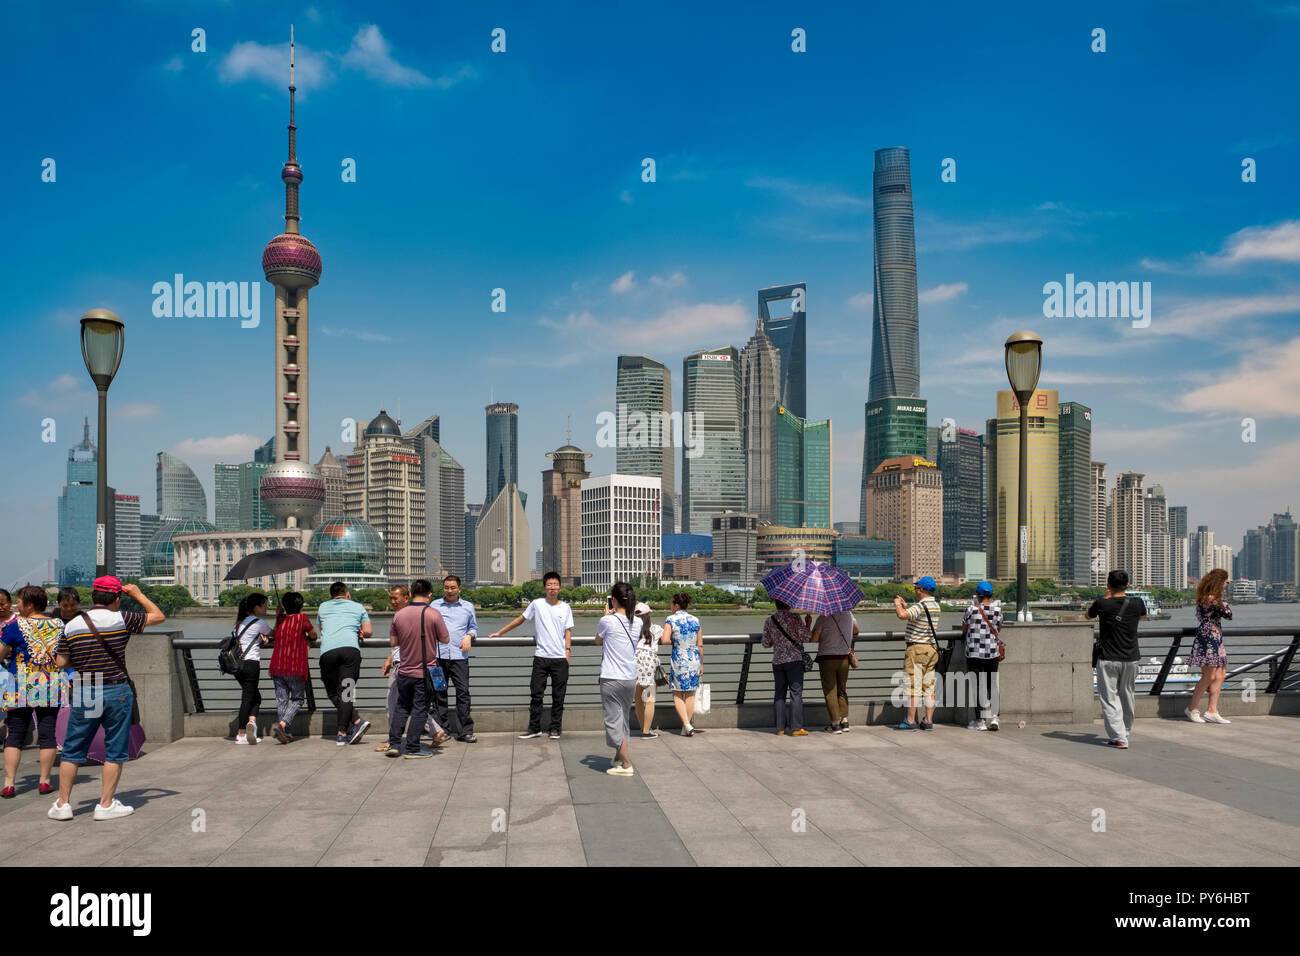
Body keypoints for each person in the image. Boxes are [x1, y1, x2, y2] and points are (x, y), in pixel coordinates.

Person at [50, 576, 165, 821]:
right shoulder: (122, 618)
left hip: (86, 689)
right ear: (116, 598)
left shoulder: (72, 625)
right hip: (116, 690)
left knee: (72, 748)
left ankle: (63, 804)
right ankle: (105, 804)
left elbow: (61, 662)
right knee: (114, 749)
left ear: (93, 597)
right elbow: (158, 616)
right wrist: (138, 594)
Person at [0, 586, 66, 798]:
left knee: (15, 735)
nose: (15, 606)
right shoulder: (58, 624)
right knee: (47, 735)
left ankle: (9, 783)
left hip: (21, 684)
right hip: (50, 684)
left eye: (19, 602)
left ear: (29, 604)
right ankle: (44, 781)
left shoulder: (15, 625)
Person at [493, 571, 572, 740]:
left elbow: (567, 631)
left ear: (560, 587)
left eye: (555, 584)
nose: (552, 588)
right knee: (536, 695)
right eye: (549, 585)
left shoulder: (565, 607)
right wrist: (500, 632)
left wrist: (567, 652)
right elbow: (520, 620)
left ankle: (555, 729)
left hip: (560, 659)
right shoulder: (537, 604)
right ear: (544, 587)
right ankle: (534, 728)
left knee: (559, 697)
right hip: (541, 657)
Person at [385, 579, 450, 759]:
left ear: (411, 594)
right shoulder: (433, 614)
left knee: (401, 708)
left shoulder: (399, 615)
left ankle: (395, 744)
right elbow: (445, 639)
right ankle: (413, 748)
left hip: (404, 670)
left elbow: (393, 642)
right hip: (425, 671)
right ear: (429, 594)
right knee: (420, 709)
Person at [1086, 569, 1146, 749]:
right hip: (1131, 656)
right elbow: (1143, 615)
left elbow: (1088, 616)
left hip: (1108, 657)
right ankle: (1124, 731)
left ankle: (1119, 737)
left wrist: (1106, 597)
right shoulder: (1137, 603)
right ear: (1128, 585)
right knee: (1127, 695)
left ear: (1108, 585)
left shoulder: (1101, 603)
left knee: (1109, 697)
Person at [316, 581, 373, 746]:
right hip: (350, 651)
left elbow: (321, 628)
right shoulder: (358, 607)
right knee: (346, 692)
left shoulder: (323, 607)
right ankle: (348, 727)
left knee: (333, 692)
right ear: (347, 594)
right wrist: (361, 631)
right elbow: (368, 631)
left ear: (331, 595)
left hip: (328, 652)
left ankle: (352, 725)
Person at [595, 582, 641, 775]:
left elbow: (598, 640)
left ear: (613, 600)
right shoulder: (638, 622)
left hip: (611, 677)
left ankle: (627, 764)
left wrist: (607, 616)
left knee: (613, 721)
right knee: (622, 719)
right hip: (630, 677)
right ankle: (618, 756)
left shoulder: (607, 621)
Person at [432, 575, 478, 742]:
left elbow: (474, 627)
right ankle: (442, 730)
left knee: (463, 693)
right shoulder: (434, 606)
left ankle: (465, 731)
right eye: (446, 587)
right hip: (437, 657)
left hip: (459, 657)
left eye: (453, 588)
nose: (449, 591)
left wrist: (469, 636)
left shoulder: (468, 607)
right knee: (439, 693)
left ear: (459, 589)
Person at [268, 590, 317, 744]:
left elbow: (274, 634)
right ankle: (283, 725)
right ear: (301, 605)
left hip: (277, 666)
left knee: (282, 700)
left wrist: (278, 615)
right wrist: (307, 636)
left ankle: (286, 733)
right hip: (295, 666)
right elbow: (314, 635)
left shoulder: (281, 619)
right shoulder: (302, 618)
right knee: (298, 699)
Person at [894, 576, 942, 731]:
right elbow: (917, 617)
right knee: (928, 687)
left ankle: (910, 720)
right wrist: (906, 607)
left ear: (921, 590)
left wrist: (897, 606)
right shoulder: (935, 605)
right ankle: (928, 720)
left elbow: (902, 616)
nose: (915, 591)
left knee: (913, 685)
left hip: (917, 649)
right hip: (930, 650)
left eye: (916, 588)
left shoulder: (921, 606)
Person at [1187, 569, 1232, 725]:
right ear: (1219, 582)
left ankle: (1212, 710)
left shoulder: (1208, 599)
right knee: (1209, 676)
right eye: (1226, 581)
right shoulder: (1211, 599)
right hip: (1209, 638)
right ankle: (1192, 708)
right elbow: (1228, 614)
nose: (1227, 584)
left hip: (1215, 637)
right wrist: (1222, 602)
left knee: (1221, 674)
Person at [762, 599, 812, 736]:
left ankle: (780, 728)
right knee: (796, 693)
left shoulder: (770, 620)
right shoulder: (795, 618)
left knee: (779, 693)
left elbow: (766, 643)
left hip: (777, 661)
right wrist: (808, 624)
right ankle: (796, 728)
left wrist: (777, 640)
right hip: (794, 660)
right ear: (789, 604)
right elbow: (807, 637)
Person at [960, 582, 1003, 731]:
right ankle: (995, 718)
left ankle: (980, 721)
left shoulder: (971, 609)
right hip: (992, 652)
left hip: (974, 653)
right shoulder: (997, 610)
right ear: (990, 595)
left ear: (977, 595)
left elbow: (964, 628)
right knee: (992, 685)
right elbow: (998, 628)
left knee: (977, 686)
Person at [231, 593, 272, 745]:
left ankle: (252, 724)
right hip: (251, 664)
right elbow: (274, 633)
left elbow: (246, 638)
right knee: (248, 699)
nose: (266, 607)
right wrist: (280, 615)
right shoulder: (259, 622)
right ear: (256, 607)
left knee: (255, 697)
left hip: (237, 665)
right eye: (264, 604)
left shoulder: (239, 623)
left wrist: (260, 637)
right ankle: (241, 733)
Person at [812, 603, 859, 734]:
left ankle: (835, 724)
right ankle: (845, 721)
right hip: (844, 658)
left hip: (827, 658)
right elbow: (856, 630)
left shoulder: (823, 617)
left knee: (830, 691)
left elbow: (814, 639)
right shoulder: (849, 614)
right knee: (842, 689)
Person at [661, 592, 703, 736]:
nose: (670, 606)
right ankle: (686, 727)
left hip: (680, 660)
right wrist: (701, 664)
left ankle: (686, 724)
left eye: (671, 604)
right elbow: (700, 645)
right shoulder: (695, 620)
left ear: (676, 605)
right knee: (690, 693)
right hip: (694, 659)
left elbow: (665, 640)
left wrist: (678, 641)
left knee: (677, 693)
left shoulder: (671, 619)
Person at [632, 602, 662, 738]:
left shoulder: (632, 628)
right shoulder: (655, 629)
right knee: (650, 698)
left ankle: (643, 728)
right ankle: (646, 731)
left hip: (634, 660)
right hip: (649, 661)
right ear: (649, 614)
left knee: (637, 697)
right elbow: (667, 636)